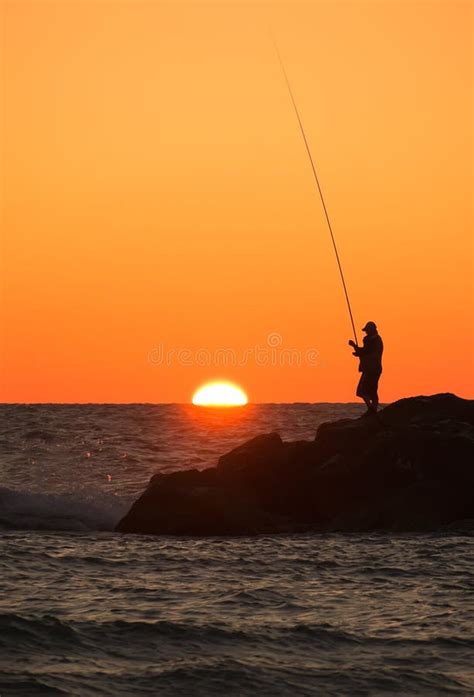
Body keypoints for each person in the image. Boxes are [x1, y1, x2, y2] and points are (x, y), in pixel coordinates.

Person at [349, 321, 383, 414]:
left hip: (370, 369)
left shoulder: (374, 340)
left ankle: (371, 410)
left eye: (367, 330)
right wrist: (355, 348)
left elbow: (365, 352)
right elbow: (364, 351)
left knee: (362, 390)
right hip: (375, 369)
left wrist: (355, 347)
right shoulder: (374, 340)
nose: (366, 332)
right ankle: (373, 410)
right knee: (372, 391)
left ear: (371, 330)